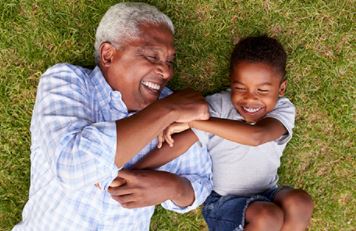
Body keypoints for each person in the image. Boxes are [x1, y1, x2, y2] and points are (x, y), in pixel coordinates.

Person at [13, 3, 213, 230]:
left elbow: (201, 183)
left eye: (169, 61)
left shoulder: (173, 107)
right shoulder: (67, 81)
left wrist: (172, 187)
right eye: (151, 56)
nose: (167, 72)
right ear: (108, 55)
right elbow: (72, 167)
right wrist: (167, 110)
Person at [133, 36, 314, 231]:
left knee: (300, 202)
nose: (250, 98)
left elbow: (257, 136)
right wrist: (135, 170)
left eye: (262, 90)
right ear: (231, 82)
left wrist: (195, 121)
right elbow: (179, 144)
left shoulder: (282, 109)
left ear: (281, 88)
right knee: (267, 216)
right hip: (223, 202)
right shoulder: (218, 105)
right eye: (240, 88)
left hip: (269, 192)